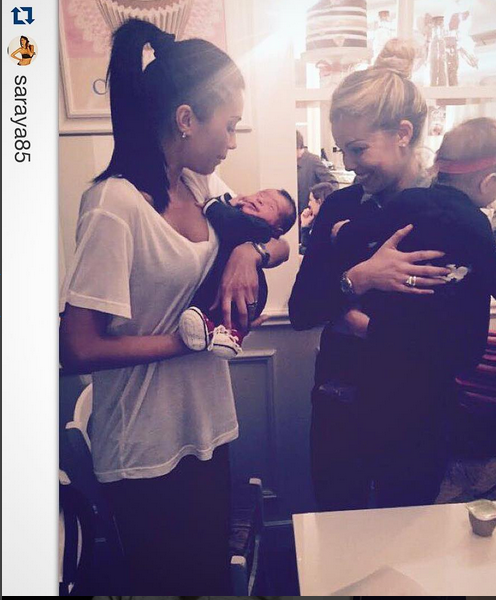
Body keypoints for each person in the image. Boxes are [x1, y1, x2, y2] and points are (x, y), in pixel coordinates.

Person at [58, 19, 288, 594]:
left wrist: (248, 253)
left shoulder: (198, 184)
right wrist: (189, 341)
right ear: (186, 120)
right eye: (228, 126)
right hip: (144, 446)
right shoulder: (113, 204)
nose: (232, 141)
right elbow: (77, 347)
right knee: (169, 584)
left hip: (206, 424)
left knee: (207, 578)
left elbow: (279, 241)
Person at [289, 39, 455, 511]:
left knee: (408, 531)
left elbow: (448, 343)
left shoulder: (448, 211)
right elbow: (302, 309)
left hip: (417, 413)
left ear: (403, 133)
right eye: (343, 150)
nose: (347, 164)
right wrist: (359, 278)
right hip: (340, 405)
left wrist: (354, 321)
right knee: (337, 527)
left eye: (358, 149)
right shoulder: (340, 205)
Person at [331, 117, 496, 368]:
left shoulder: (408, 200)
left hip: (395, 331)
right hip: (453, 346)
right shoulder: (475, 223)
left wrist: (342, 231)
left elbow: (367, 229)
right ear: (487, 181)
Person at [178, 188, 297, 357]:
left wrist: (213, 204)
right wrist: (227, 202)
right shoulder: (238, 213)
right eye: (260, 195)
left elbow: (228, 220)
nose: (260, 200)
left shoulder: (256, 226)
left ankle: (225, 331)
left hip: (244, 292)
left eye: (271, 206)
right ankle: (226, 332)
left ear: (276, 230)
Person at [296, 130, 336, 223]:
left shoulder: (312, 160)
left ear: (297, 147)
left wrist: (319, 200)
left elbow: (332, 183)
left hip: (311, 215)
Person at [299, 181, 336, 254]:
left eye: (310, 200)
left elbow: (309, 251)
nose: (309, 204)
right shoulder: (329, 220)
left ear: (319, 201)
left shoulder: (325, 225)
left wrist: (305, 228)